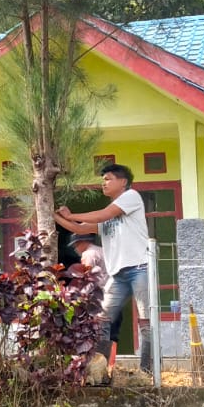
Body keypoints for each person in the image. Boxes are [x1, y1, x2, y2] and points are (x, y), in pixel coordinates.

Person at [55, 164, 151, 386]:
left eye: (108, 178)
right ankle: (100, 371)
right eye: (103, 179)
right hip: (118, 275)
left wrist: (72, 213)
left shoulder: (131, 197)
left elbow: (103, 214)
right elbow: (79, 229)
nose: (104, 183)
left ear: (123, 182)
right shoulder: (110, 215)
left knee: (146, 322)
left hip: (139, 269)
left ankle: (147, 371)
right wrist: (55, 215)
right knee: (102, 320)